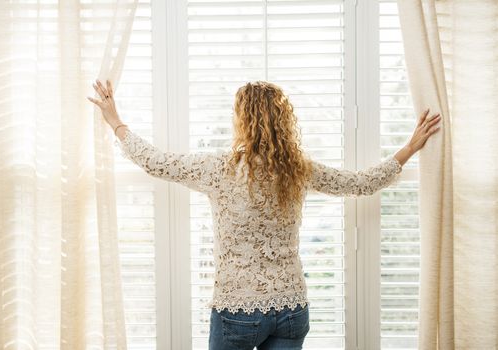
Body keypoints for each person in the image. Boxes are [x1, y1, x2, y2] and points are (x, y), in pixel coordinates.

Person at [88, 79, 441, 350]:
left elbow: (156, 162)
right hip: (291, 309)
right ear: (283, 123)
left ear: (243, 121)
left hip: (236, 312)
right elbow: (361, 182)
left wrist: (115, 121)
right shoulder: (298, 170)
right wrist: (409, 147)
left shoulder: (220, 169)